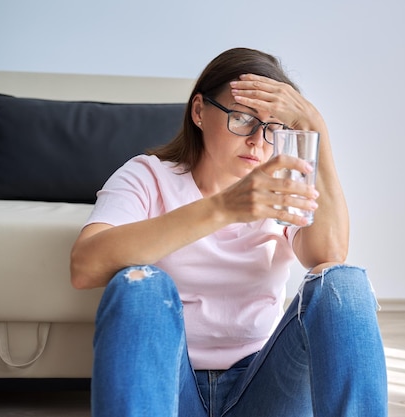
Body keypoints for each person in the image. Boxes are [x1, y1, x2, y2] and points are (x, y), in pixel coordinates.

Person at [70, 47, 387, 417]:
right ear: (199, 111)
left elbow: (328, 257)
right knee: (140, 284)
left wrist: (316, 126)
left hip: (265, 389)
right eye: (242, 118)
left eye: (274, 127)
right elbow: (85, 268)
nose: (257, 140)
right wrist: (224, 207)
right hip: (171, 391)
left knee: (343, 283)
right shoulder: (147, 176)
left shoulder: (283, 187)